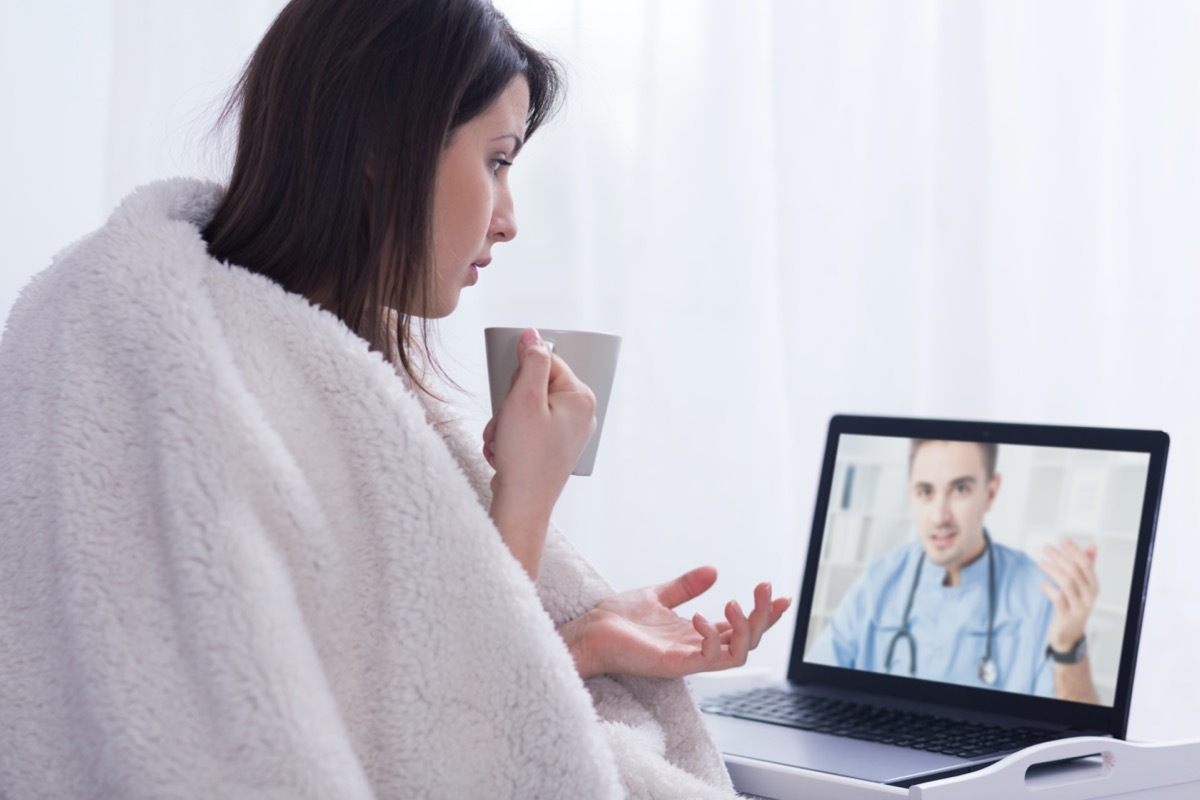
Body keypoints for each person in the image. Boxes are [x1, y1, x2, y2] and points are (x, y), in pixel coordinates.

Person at [0, 1, 788, 797]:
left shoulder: (245, 352)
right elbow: (432, 754)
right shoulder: (210, 385)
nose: (508, 219)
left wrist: (574, 647)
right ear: (386, 147)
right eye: (497, 161)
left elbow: (369, 691)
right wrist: (524, 503)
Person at [809, 439, 1100, 704]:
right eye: (925, 492)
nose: (939, 516)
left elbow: (1075, 744)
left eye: (960, 489)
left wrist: (1068, 647)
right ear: (911, 493)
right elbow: (812, 692)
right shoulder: (878, 580)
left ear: (991, 492)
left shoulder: (1041, 595)